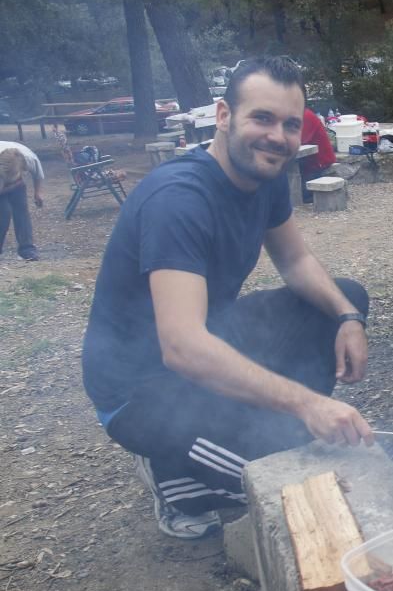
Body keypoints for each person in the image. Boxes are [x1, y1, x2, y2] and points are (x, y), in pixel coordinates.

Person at [81, 57, 373, 540]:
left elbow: (296, 262)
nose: (278, 136)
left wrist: (348, 316)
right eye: (262, 117)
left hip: (210, 336)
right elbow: (182, 347)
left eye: (290, 124)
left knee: (344, 298)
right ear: (223, 115)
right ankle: (173, 476)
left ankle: (267, 431)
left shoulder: (267, 173)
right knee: (290, 485)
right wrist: (305, 404)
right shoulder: (178, 199)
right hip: (143, 388)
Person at [0, 142, 45, 261]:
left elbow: (38, 174)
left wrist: (38, 192)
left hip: (18, 183)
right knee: (3, 213)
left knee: (22, 211)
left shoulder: (30, 158)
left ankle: (26, 249)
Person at [299, 107, 336, 204]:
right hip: (310, 159)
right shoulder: (300, 115)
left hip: (319, 159)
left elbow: (302, 139)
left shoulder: (305, 116)